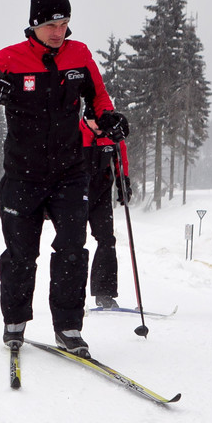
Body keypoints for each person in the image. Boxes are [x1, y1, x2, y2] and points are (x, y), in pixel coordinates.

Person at [0, 0, 126, 357]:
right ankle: (15, 322)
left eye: (65, 23)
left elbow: (98, 99)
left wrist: (109, 118)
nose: (59, 32)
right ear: (34, 24)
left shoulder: (80, 55)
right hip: (23, 175)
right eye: (51, 24)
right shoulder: (9, 58)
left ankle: (69, 327)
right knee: (21, 254)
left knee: (72, 248)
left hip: (71, 171)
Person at [82, 121, 132, 309]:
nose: (100, 127)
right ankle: (70, 297)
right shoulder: (74, 132)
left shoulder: (111, 134)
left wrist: (123, 184)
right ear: (87, 119)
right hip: (76, 195)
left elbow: (121, 159)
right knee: (72, 244)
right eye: (96, 122)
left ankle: (104, 294)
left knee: (107, 240)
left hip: (101, 195)